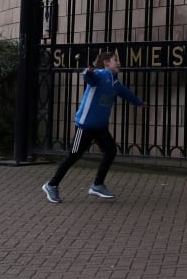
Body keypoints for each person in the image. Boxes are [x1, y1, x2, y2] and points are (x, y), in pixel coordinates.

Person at [42, 51, 145, 203]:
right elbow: (90, 77)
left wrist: (139, 103)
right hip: (85, 126)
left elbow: (126, 93)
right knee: (74, 155)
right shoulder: (100, 74)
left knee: (110, 150)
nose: (119, 63)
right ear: (106, 63)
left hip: (100, 127)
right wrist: (87, 72)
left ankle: (97, 185)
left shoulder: (114, 82)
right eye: (115, 60)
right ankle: (51, 185)